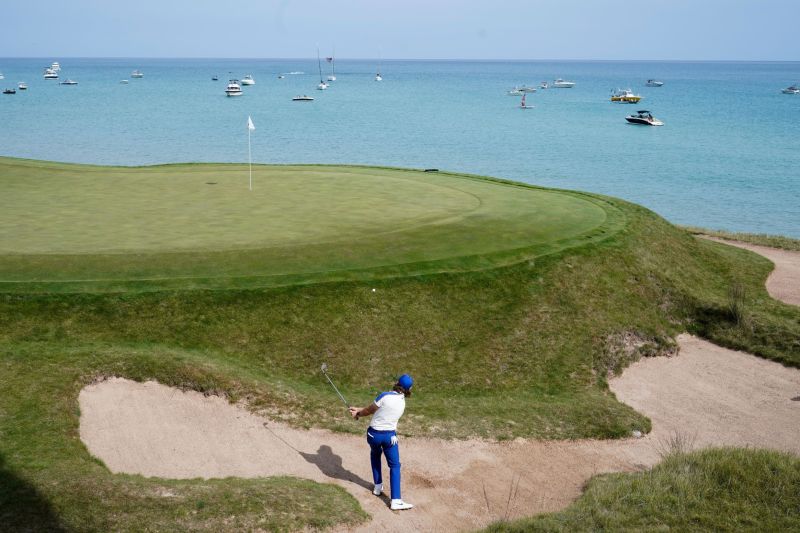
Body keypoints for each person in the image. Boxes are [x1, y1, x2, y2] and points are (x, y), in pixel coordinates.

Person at [349, 374, 414, 511]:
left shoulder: (384, 396)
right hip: (389, 437)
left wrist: (358, 414)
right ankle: (396, 500)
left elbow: (370, 410)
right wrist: (359, 410)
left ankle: (378, 487)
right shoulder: (402, 403)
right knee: (395, 466)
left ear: (397, 383)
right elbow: (372, 409)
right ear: (408, 389)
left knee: (375, 455)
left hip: (373, 435)